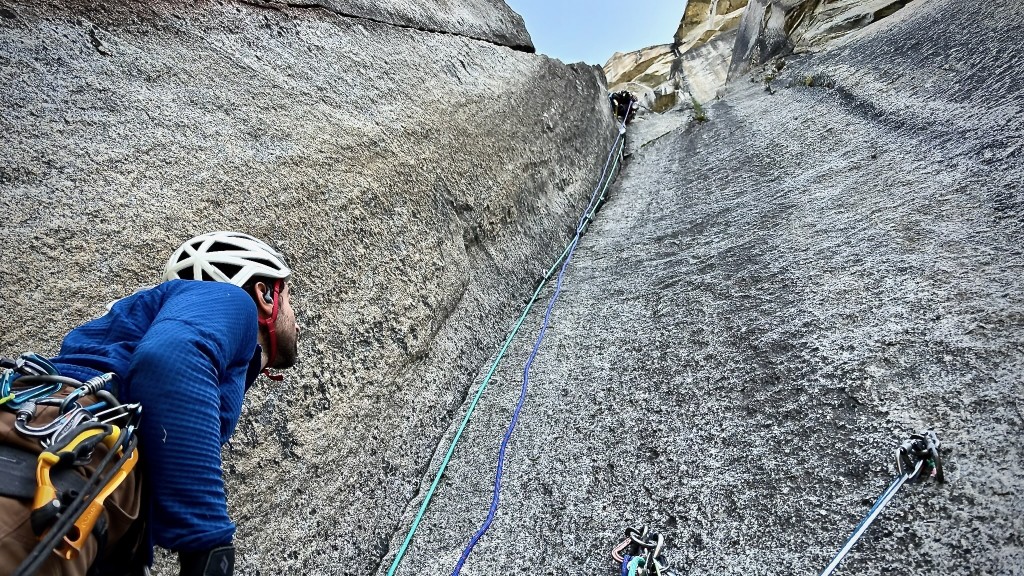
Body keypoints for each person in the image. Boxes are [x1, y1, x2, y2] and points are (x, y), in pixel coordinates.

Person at [0, 231, 300, 576]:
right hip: (48, 475)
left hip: (63, 473)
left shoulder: (143, 328)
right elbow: (170, 359)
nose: (295, 313)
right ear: (264, 294)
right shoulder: (230, 301)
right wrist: (208, 545)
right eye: (289, 297)